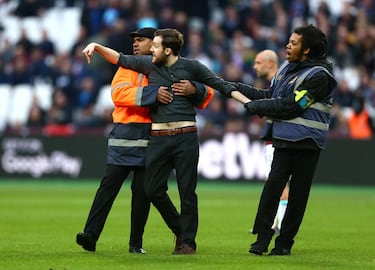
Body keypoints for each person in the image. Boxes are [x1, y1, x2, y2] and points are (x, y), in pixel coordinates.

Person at [82, 28, 250, 255]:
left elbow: (208, 93)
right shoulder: (132, 67)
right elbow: (118, 95)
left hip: (154, 137)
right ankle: (91, 235)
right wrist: (152, 94)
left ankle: (137, 244)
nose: (137, 44)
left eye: (142, 41)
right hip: (126, 136)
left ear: (158, 45)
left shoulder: (174, 65)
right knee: (113, 189)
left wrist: (194, 89)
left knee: (144, 193)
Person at [238, 24, 337, 255]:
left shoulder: (320, 77)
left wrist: (255, 107)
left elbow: (293, 106)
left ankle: (284, 244)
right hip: (283, 138)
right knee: (272, 189)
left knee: (297, 196)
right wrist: (235, 88)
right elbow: (270, 96)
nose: (287, 46)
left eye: (293, 43)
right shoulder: (286, 69)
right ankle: (262, 240)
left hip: (307, 143)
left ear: (307, 50)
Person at [252, 49, 289, 234]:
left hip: (278, 139)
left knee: (277, 181)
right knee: (274, 181)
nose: (254, 66)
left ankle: (280, 225)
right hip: (273, 138)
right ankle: (275, 223)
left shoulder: (280, 84)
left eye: (258, 63)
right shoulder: (275, 83)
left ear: (270, 63)